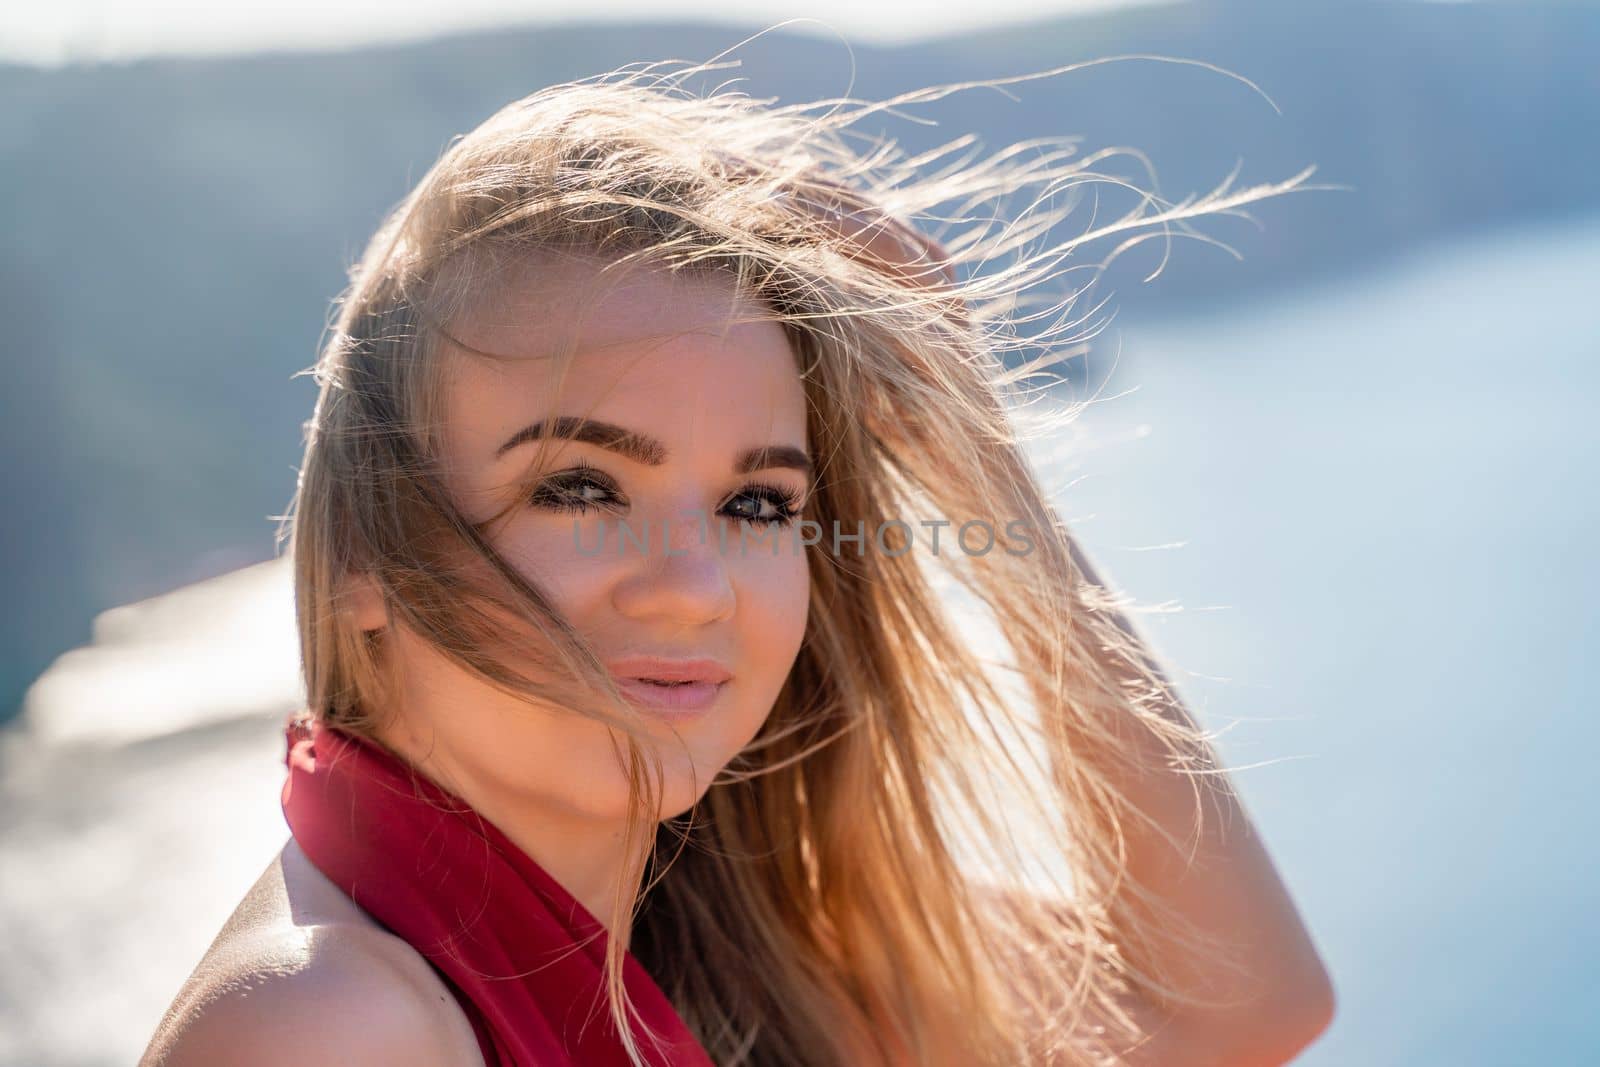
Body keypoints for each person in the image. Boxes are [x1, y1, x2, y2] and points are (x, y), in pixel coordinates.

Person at [141, 58, 1334, 1067]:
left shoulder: (709, 957)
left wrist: (974, 456)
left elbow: (1237, 1007)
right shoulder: (327, 1023)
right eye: (578, 485)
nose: (697, 584)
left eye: (758, 502)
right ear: (363, 557)